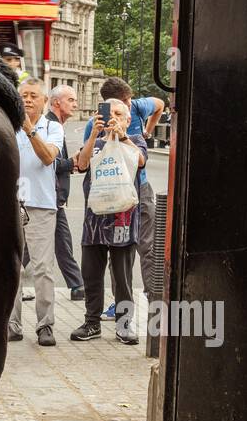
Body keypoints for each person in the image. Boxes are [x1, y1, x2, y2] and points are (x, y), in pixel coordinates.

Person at [80, 77, 165, 319]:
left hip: (137, 190)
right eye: (112, 109)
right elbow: (83, 162)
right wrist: (98, 132)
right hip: (104, 197)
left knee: (144, 247)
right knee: (111, 257)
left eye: (124, 107)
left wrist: (146, 131)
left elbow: (159, 104)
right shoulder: (94, 125)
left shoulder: (136, 109)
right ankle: (116, 308)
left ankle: (151, 299)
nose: (126, 105)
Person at [70, 98, 147, 345]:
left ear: (127, 119)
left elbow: (140, 161)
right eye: (107, 113)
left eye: (118, 113)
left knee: (123, 277)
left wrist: (122, 136)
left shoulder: (134, 141)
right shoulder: (94, 144)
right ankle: (92, 322)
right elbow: (81, 164)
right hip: (94, 222)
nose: (112, 117)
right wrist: (94, 133)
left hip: (123, 221)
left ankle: (124, 325)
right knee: (91, 275)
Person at [8, 78, 62, 347]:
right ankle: (12, 324)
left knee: (42, 269)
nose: (27, 100)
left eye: (33, 96)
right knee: (11, 269)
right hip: (10, 204)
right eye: (23, 96)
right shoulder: (7, 125)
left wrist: (29, 130)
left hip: (41, 205)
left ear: (44, 101)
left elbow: (49, 157)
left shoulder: (53, 127)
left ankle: (45, 325)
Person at [46, 84, 85, 300]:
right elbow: (48, 161)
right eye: (70, 99)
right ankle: (77, 285)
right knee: (60, 242)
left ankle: (77, 285)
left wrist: (71, 164)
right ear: (56, 102)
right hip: (48, 196)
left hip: (52, 197)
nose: (75, 104)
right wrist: (71, 163)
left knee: (59, 242)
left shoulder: (55, 124)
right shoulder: (51, 126)